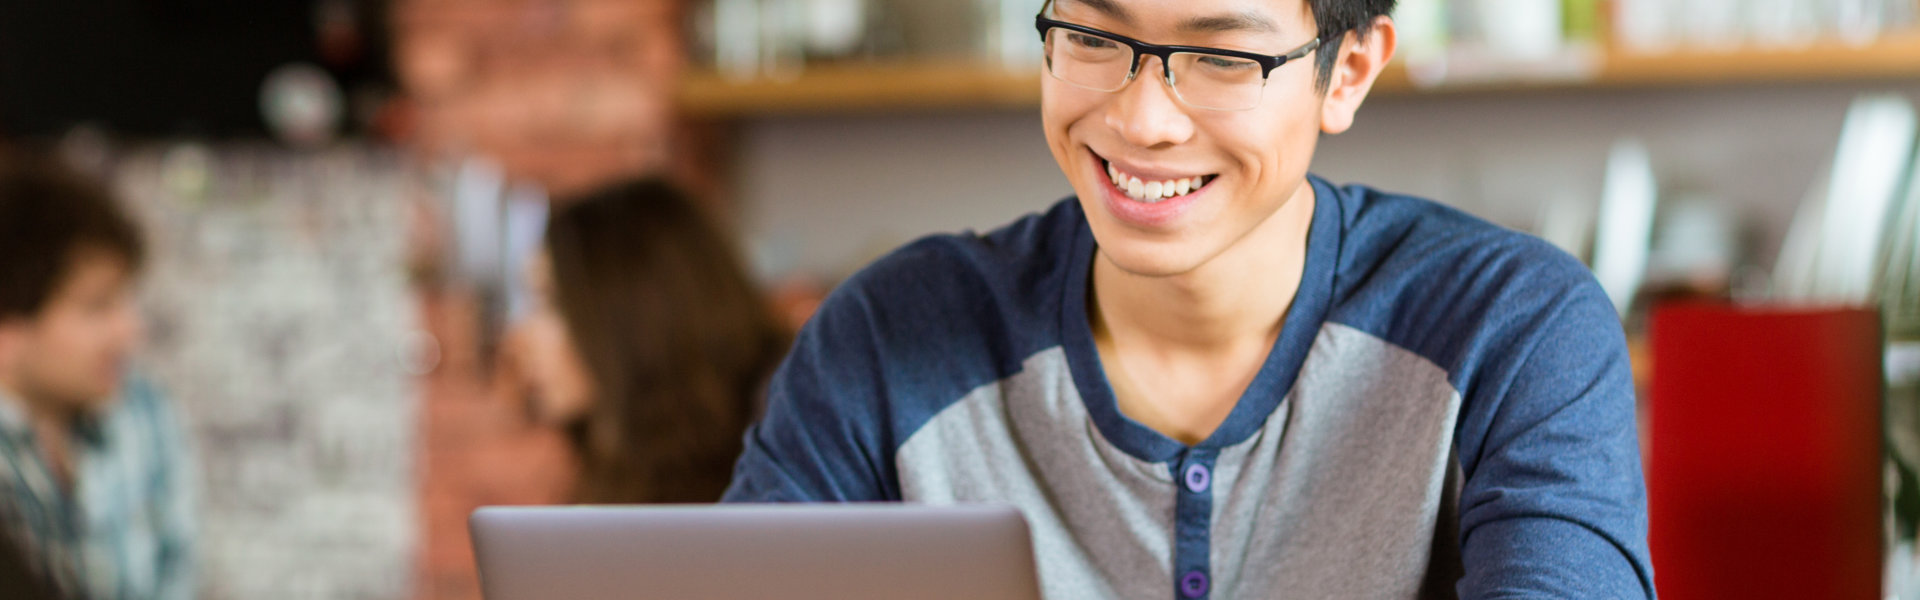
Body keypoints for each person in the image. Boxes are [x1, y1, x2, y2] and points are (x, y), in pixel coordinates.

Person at [723, 0, 1653, 598]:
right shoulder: (888, 339)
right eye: (1092, 37)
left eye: (1220, 59)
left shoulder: (1515, 329)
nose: (1142, 120)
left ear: (1352, 70)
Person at [515, 178, 789, 504]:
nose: (524, 334)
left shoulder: (778, 452)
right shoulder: (615, 463)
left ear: (634, 313)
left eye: (553, 303)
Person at [0, 149, 197, 600]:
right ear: (8, 330)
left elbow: (179, 576)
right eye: (96, 308)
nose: (129, 331)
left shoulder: (144, 411)